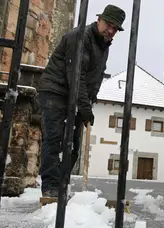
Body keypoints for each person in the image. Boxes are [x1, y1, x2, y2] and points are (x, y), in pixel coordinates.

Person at [37, 4, 126, 199]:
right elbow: (76, 76)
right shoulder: (80, 37)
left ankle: (61, 184)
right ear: (99, 20)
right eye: (108, 25)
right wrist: (85, 107)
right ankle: (50, 187)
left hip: (75, 96)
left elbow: (96, 77)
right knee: (55, 139)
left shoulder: (103, 45)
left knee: (73, 144)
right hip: (55, 91)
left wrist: (89, 103)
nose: (111, 30)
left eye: (115, 28)